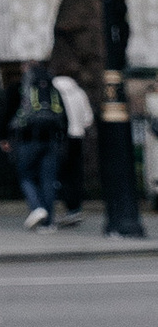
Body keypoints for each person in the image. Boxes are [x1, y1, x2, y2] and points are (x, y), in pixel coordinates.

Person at [9, 65, 66, 228]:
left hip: (28, 139)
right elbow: (64, 117)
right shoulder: (53, 90)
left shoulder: (23, 88)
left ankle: (37, 207)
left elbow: (12, 113)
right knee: (48, 180)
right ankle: (48, 222)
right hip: (51, 139)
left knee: (25, 175)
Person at [53, 67, 94, 222]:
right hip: (77, 136)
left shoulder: (53, 91)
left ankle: (64, 204)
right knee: (75, 173)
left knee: (60, 173)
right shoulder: (79, 92)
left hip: (60, 137)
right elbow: (88, 119)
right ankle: (75, 208)